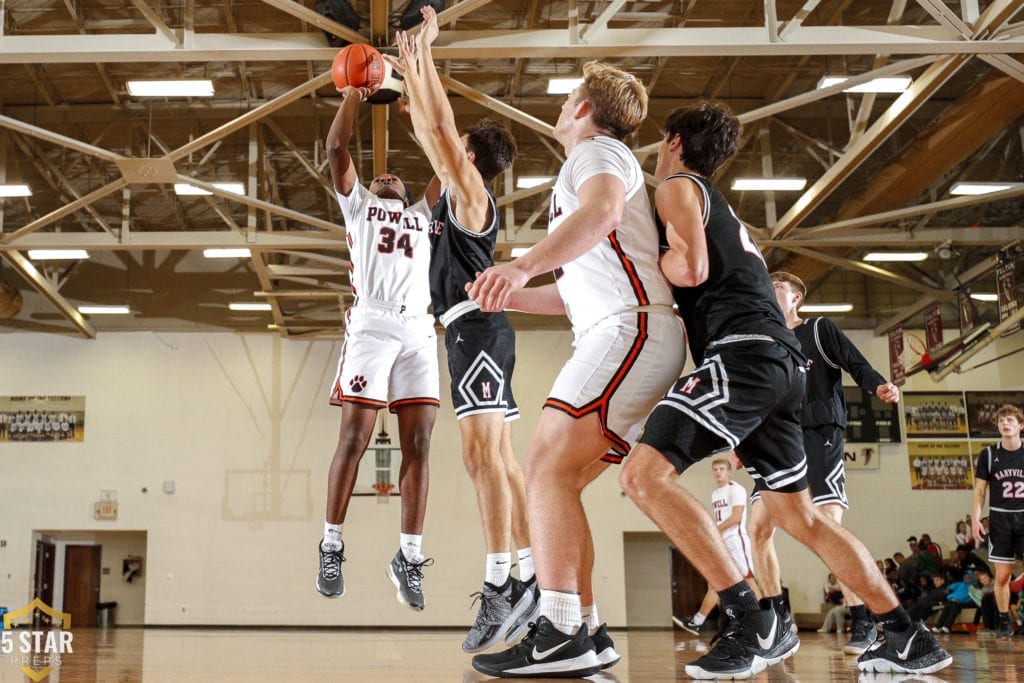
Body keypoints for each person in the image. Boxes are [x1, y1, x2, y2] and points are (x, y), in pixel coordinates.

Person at [613, 101, 951, 678]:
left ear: (671, 141)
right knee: (805, 519)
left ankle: (749, 622)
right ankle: (905, 633)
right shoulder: (714, 203)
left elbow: (689, 269)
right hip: (780, 368)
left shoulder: (674, 184)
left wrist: (640, 259)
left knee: (642, 476)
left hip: (743, 354)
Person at [466, 61, 686, 678]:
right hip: (622, 325)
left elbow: (605, 213)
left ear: (585, 110)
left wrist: (521, 266)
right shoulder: (599, 159)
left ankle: (561, 629)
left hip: (629, 328)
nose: (562, 108)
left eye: (568, 99)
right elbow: (577, 292)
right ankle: (584, 628)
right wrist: (512, 292)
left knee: (541, 467)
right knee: (558, 478)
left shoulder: (594, 154)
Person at [391, 9, 535, 652]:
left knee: (481, 460)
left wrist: (429, 52)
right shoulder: (454, 195)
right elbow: (429, 126)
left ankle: (502, 580)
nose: (441, 150)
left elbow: (441, 127)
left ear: (471, 159)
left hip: (476, 329)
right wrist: (411, 66)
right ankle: (529, 574)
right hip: (474, 332)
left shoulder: (471, 197)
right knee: (499, 459)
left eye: (455, 152)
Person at [315, 82, 440, 611]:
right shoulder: (358, 205)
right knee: (355, 437)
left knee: (420, 446)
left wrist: (423, 111)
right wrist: (354, 96)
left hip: (418, 329)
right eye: (380, 174)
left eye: (396, 176)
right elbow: (336, 150)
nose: (386, 175)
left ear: (407, 194)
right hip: (371, 324)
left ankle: (408, 556)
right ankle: (330, 544)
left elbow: (451, 166)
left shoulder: (422, 215)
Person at [748, 269, 901, 656]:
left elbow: (855, 363)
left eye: (778, 286)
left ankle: (863, 619)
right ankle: (777, 618)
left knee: (828, 527)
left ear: (796, 296)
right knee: (758, 529)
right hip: (776, 438)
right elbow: (757, 396)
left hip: (820, 433)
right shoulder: (765, 338)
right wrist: (742, 439)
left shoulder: (818, 330)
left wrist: (878, 384)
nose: (770, 291)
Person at [678, 457, 760, 635]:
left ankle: (769, 617)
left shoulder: (736, 489)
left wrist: (712, 530)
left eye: (722, 469)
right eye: (715, 469)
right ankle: (697, 621)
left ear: (729, 472)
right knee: (716, 582)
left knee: (748, 579)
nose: (718, 472)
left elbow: (736, 517)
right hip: (722, 541)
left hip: (736, 539)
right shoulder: (715, 494)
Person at [971, 403, 1024, 638]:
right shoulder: (989, 454)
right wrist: (975, 519)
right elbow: (980, 491)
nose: (1005, 423)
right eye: (1001, 420)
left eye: (1010, 420)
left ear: (1021, 426)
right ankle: (1004, 621)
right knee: (1003, 575)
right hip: (1000, 517)